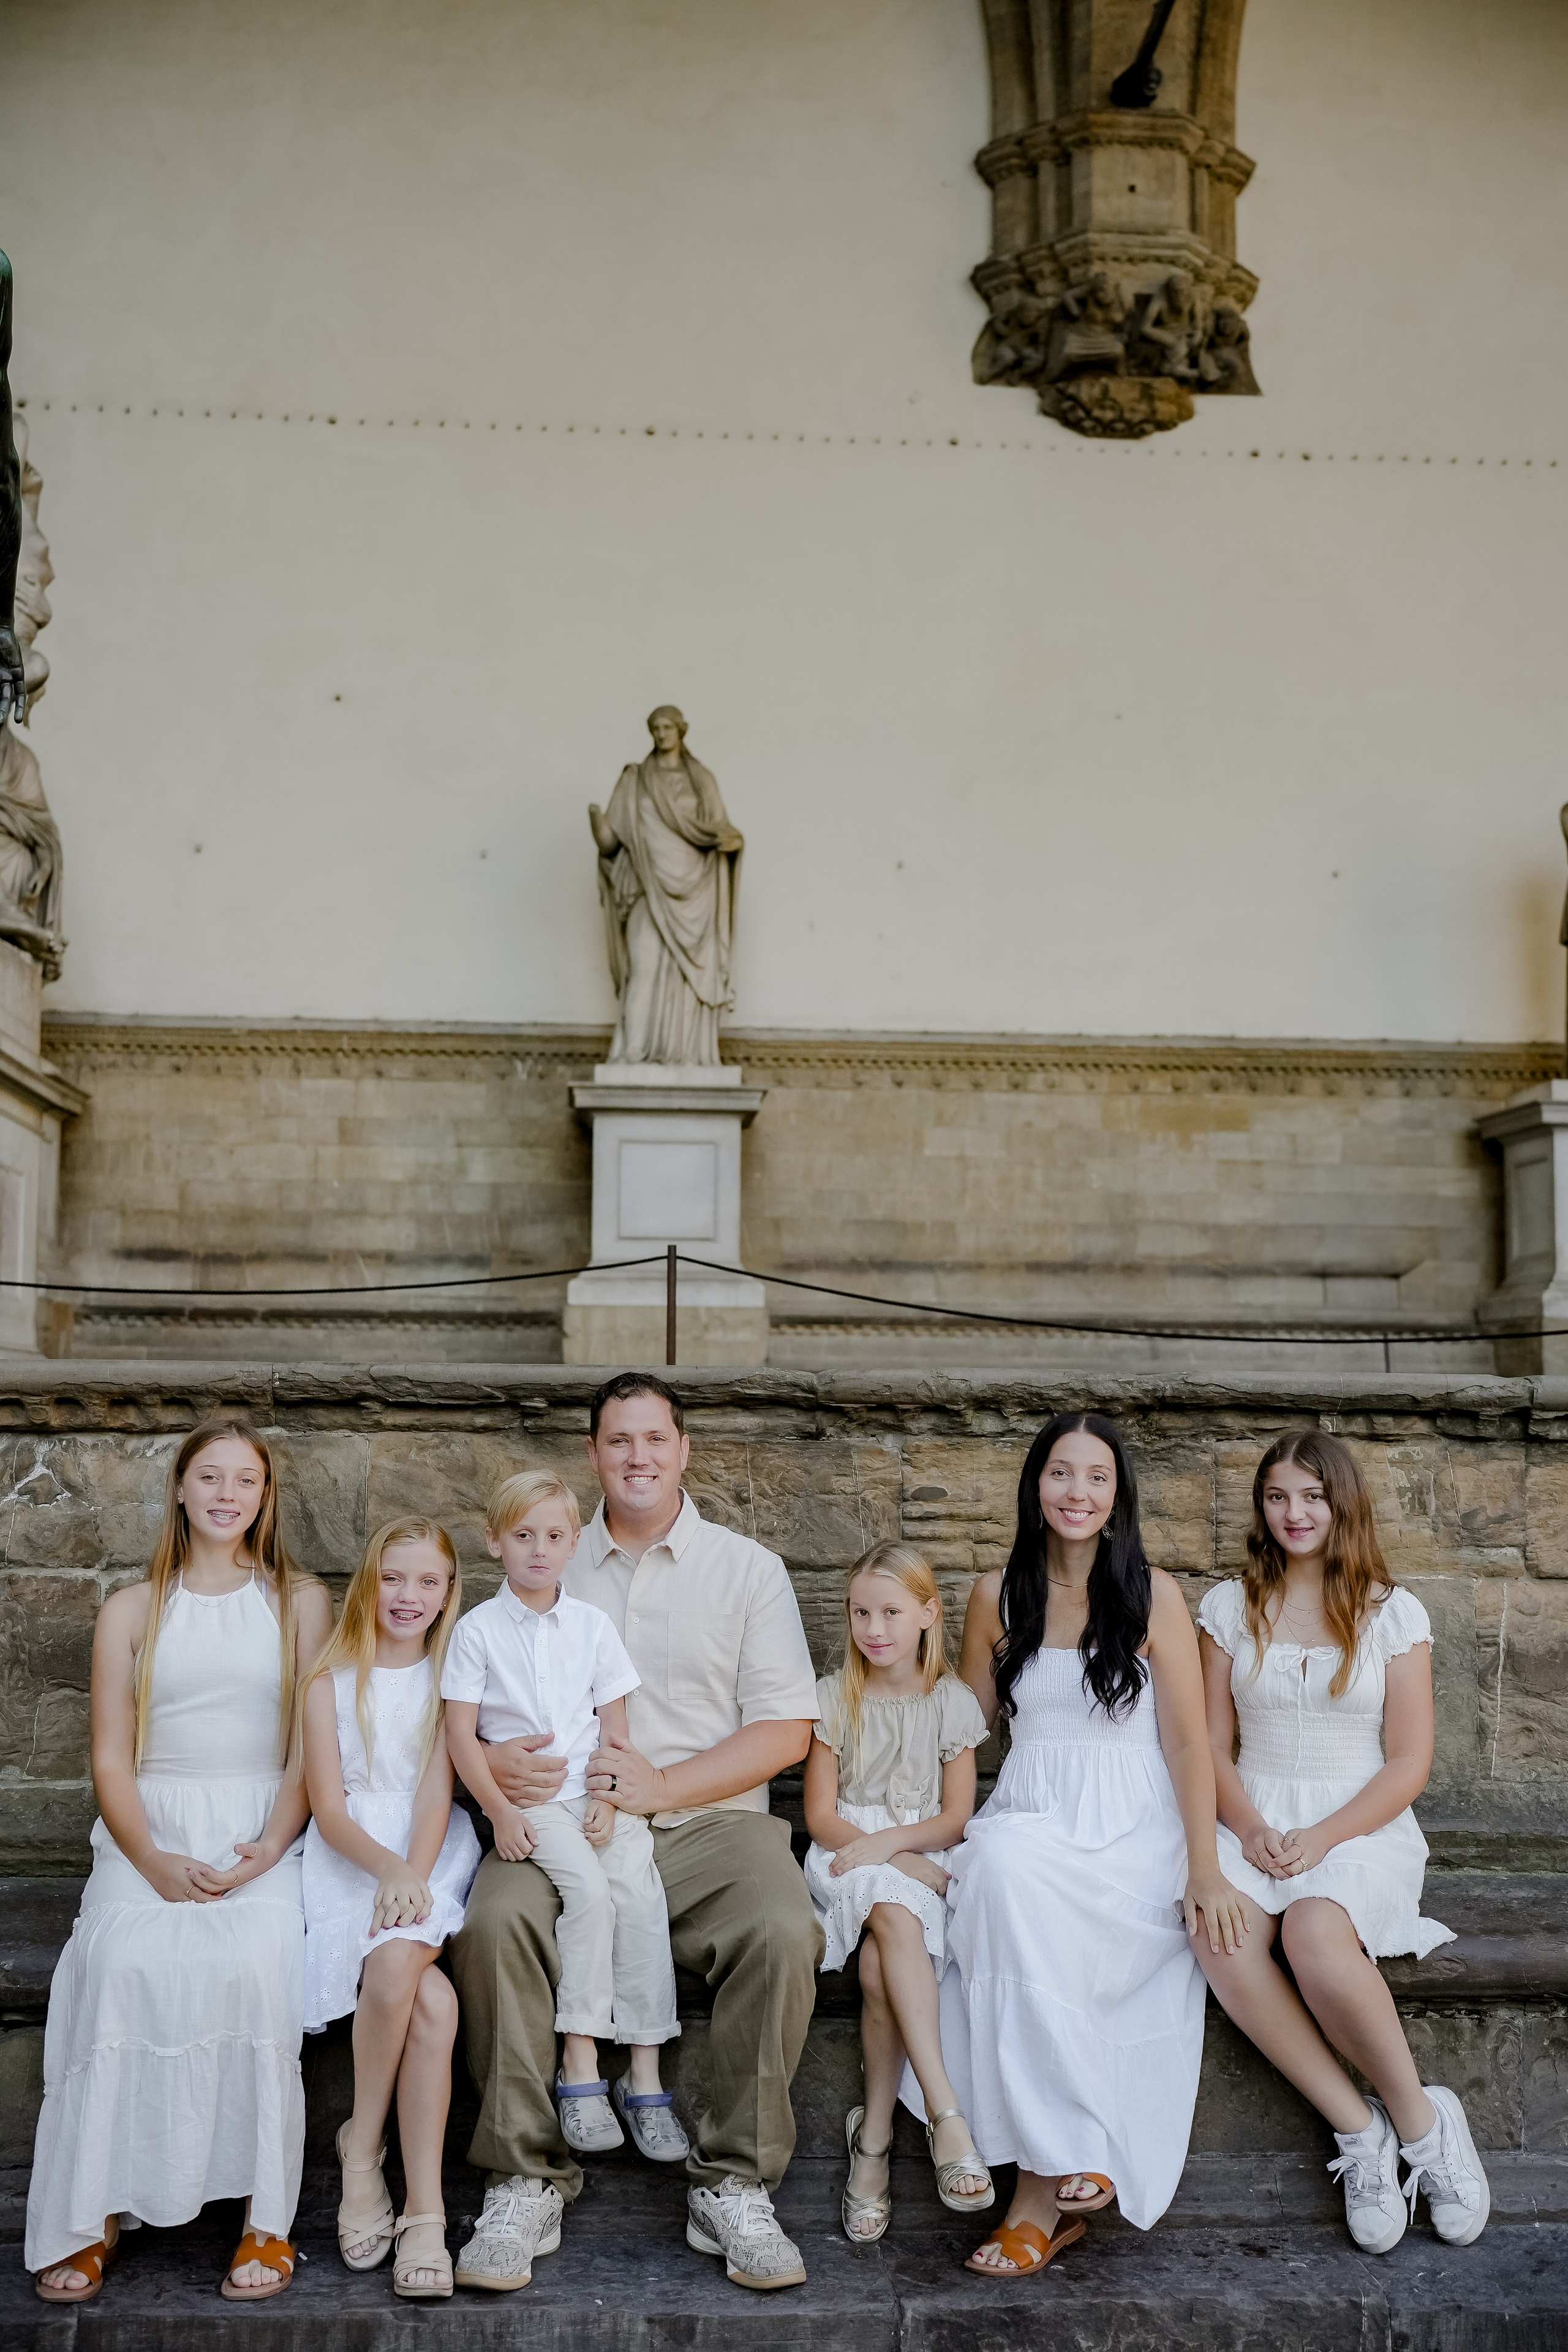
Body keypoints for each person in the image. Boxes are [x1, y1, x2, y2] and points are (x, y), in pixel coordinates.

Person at [449, 1373, 821, 2294]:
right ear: (593, 1454)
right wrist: (496, 1769)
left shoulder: (748, 1569)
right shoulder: (546, 1555)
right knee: (494, 1926)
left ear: (684, 1449)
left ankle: (733, 2184)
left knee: (782, 1930)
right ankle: (523, 2177)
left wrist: (661, 1785)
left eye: (656, 1439)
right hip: (561, 1817)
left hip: (708, 1825)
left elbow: (784, 1731)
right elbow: (465, 1706)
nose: (639, 1456)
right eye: (620, 1441)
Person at [28, 1418, 332, 2305]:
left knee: (252, 1970)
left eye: (245, 1480)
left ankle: (264, 2222)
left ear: (265, 1497)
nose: (227, 1495)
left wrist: (272, 1847)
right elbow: (112, 1760)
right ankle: (94, 2216)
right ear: (180, 1491)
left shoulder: (299, 1601)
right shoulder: (131, 1607)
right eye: (210, 1478)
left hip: (260, 1822)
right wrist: (153, 1860)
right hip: (148, 1826)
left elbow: (311, 1753)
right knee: (120, 1966)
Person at [939, 1411, 1247, 2280]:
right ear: (1036, 1487)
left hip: (1132, 1823)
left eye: (1096, 1478)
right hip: (1031, 1811)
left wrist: (1204, 1865)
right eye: (1061, 1474)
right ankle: (1073, 2145)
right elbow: (964, 1732)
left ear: (1117, 1497)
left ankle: (1036, 2202)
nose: (1078, 1493)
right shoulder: (995, 1595)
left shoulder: (1152, 1595)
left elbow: (1189, 1744)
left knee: (1041, 1912)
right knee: (1000, 1871)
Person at [1194, 1429, 1490, 2252]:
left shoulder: (1394, 1614)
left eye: (1312, 1496)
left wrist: (1321, 1838)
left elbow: (1409, 1760)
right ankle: (1359, 2130)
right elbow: (1207, 1748)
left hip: (1358, 1824)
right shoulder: (1229, 1607)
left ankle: (1426, 2128)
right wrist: (1251, 1828)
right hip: (1251, 1820)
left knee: (1316, 1934)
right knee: (1219, 1937)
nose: (1295, 1513)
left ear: (1342, 1503)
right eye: (1278, 1496)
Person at [443, 1471, 683, 2206]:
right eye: (523, 1536)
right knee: (586, 1893)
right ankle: (580, 2065)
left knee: (638, 1895)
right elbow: (458, 1735)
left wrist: (612, 1794)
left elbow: (615, 1724)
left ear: (574, 1543)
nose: (539, 1550)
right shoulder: (477, 1631)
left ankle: (643, 2075)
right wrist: (499, 1813)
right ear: (495, 1543)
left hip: (594, 1795)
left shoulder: (590, 1627)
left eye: (554, 1536)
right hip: (536, 1799)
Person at [300, 1517, 480, 2299]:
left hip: (429, 1848)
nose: (408, 1596)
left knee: (403, 1955)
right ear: (368, 1581)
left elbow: (437, 1789)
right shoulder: (328, 1681)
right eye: (393, 1578)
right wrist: (382, 1869)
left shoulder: (451, 1675)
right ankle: (418, 2204)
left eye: (427, 1582)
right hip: (349, 1859)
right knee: (433, 2010)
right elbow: (330, 1811)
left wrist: (412, 1870)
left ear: (447, 1594)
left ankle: (368, 2153)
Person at [802, 1541, 992, 2243]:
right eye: (859, 1613)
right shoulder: (834, 1697)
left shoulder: (950, 1704)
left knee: (884, 1961)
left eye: (889, 1612)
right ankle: (946, 2115)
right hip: (845, 1857)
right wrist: (883, 1854)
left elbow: (953, 1818)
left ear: (927, 1615)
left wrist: (896, 1849)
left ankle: (873, 2139)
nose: (873, 1629)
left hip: (913, 1854)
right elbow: (821, 1815)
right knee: (887, 1903)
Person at [589, 705, 744, 1066]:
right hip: (648, 885)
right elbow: (612, 843)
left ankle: (686, 1053)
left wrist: (733, 843)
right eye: (655, 728)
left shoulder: (701, 779)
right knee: (643, 963)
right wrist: (598, 825)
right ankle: (632, 1051)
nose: (661, 734)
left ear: (681, 731)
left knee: (687, 976)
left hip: (695, 893)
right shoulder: (634, 779)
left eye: (667, 727)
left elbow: (720, 828)